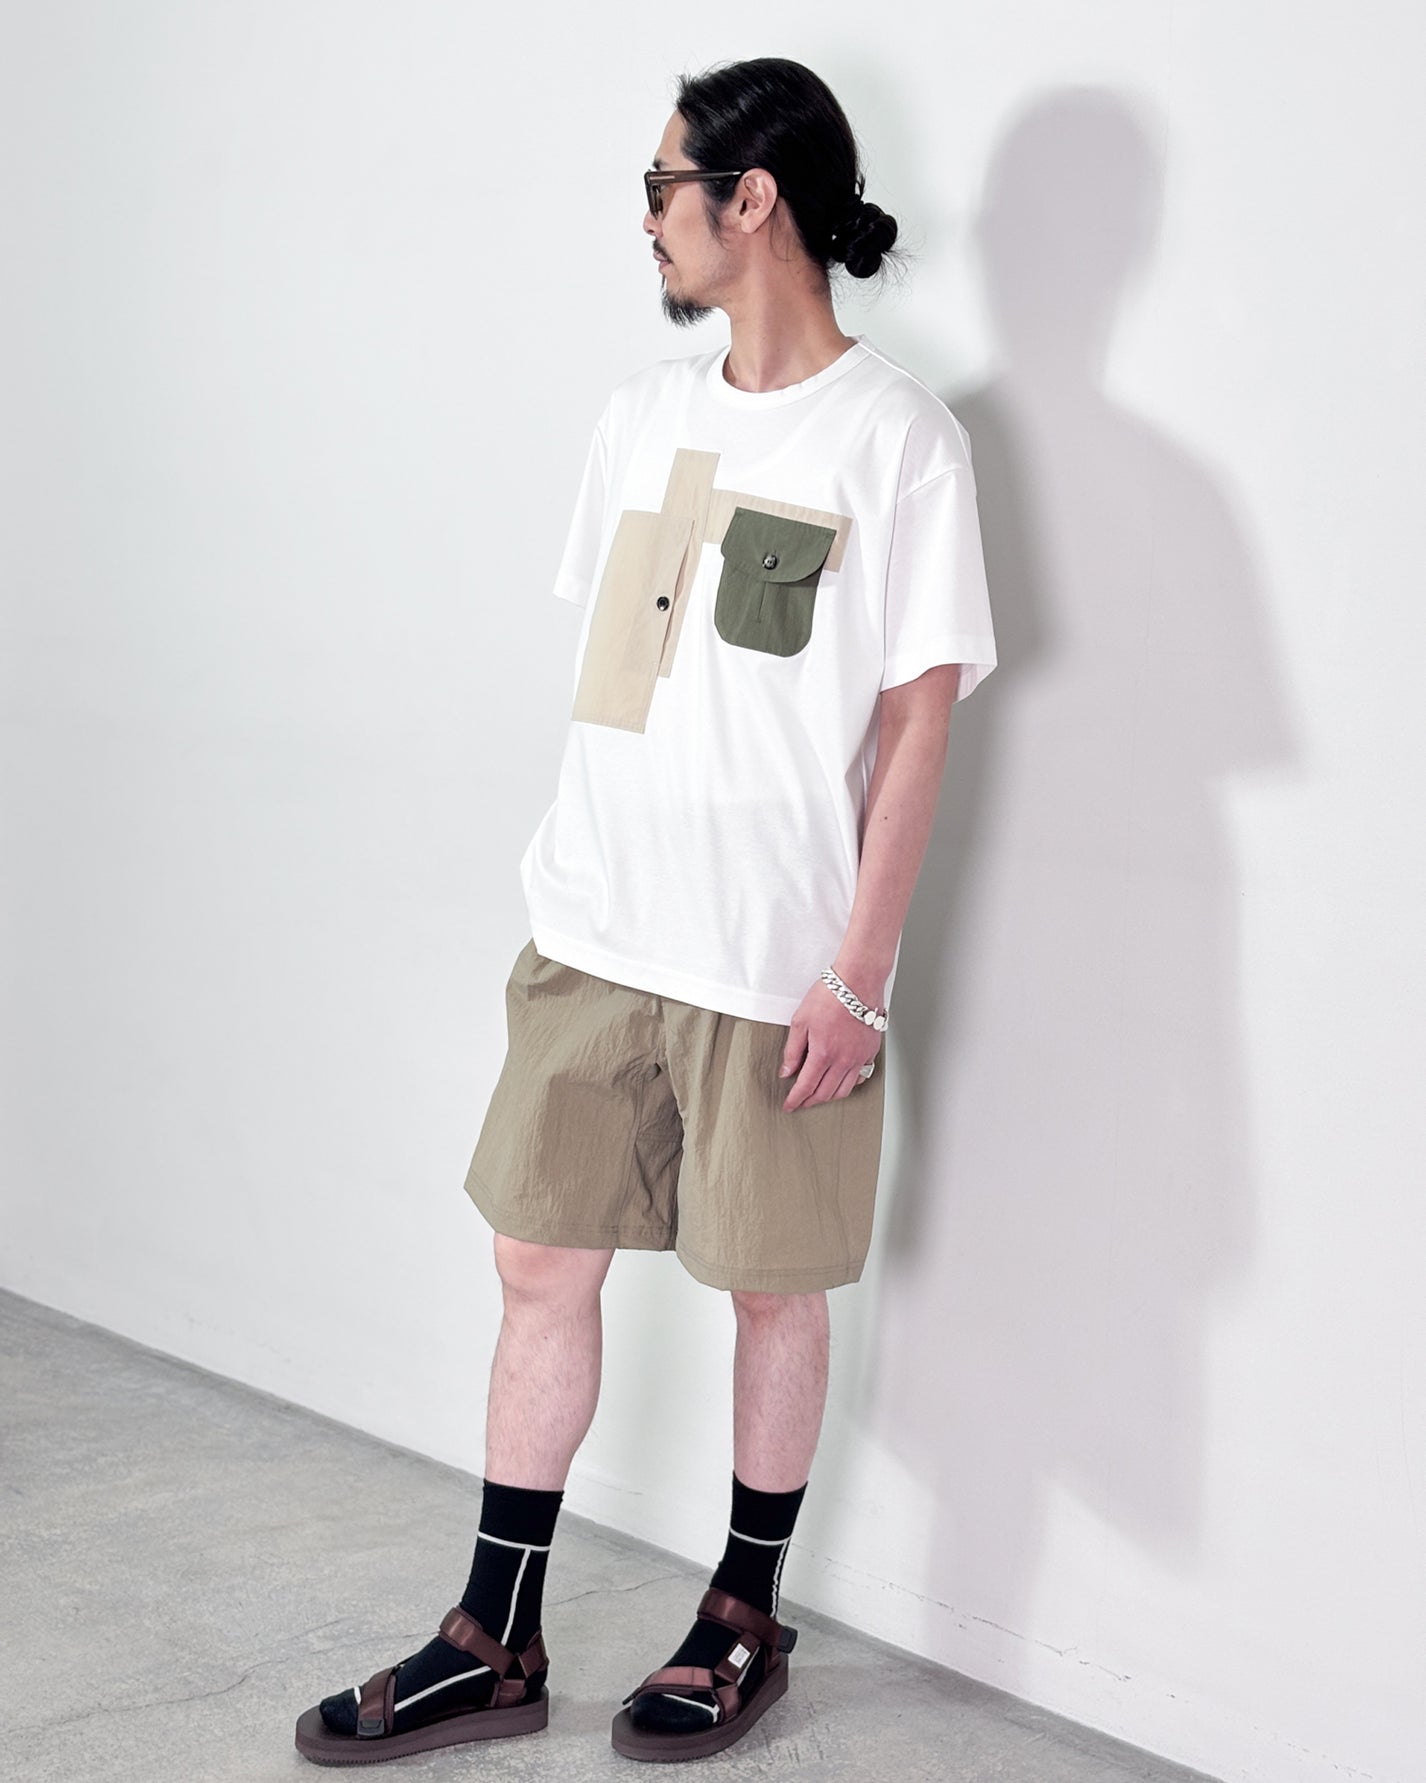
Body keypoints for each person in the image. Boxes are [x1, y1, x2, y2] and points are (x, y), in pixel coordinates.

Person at [294, 54, 996, 1768]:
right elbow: (626, 684)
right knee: (535, 1261)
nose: (647, 219)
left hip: (773, 964)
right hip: (594, 935)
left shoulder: (898, 442)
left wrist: (860, 974)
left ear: (752, 201)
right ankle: (494, 1635)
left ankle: (742, 1615)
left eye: (663, 187)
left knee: (770, 1291)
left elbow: (917, 726)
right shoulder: (639, 418)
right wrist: (570, 903)